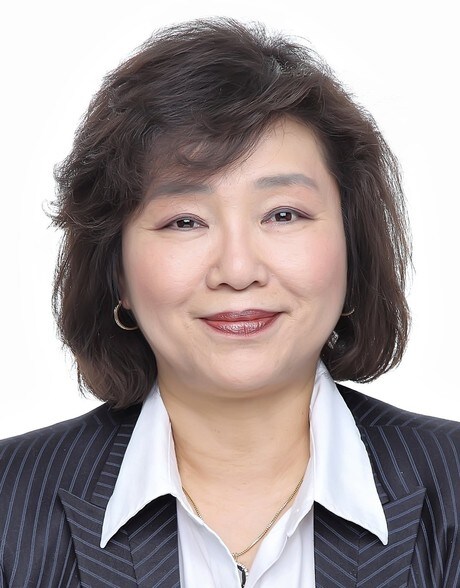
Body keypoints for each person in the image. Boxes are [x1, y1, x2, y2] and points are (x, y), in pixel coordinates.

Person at [0, 17, 459, 588]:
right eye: (184, 221)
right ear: (116, 270)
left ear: (353, 245)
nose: (238, 271)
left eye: (283, 214)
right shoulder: (9, 504)